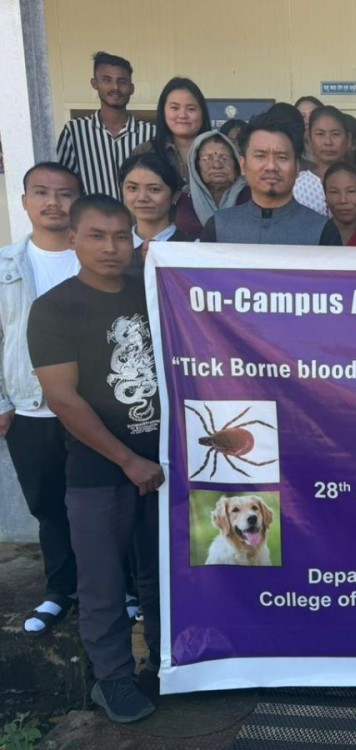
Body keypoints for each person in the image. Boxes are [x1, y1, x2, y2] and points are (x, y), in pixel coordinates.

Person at [27, 194, 163, 723]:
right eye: (98, 236)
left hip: (163, 463)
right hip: (99, 468)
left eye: (121, 236)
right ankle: (112, 679)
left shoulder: (150, 293)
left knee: (159, 576)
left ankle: (162, 663)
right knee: (103, 581)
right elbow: (63, 399)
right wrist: (128, 460)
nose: (111, 247)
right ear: (73, 239)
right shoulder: (55, 307)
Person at [0, 162, 82, 637]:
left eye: (65, 194)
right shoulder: (7, 264)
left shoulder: (93, 256)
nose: (53, 202)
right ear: (25, 201)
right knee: (49, 507)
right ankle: (59, 591)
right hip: (31, 408)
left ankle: (121, 589)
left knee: (104, 504)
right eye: (42, 193)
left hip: (91, 405)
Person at [201, 113, 341, 245]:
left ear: (297, 167)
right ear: (243, 165)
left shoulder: (322, 230)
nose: (271, 166)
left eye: (282, 157)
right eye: (260, 156)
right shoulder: (219, 227)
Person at [56, 52, 154, 200]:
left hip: (140, 221)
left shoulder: (151, 133)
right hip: (92, 221)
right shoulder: (75, 132)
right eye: (107, 80)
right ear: (94, 83)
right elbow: (63, 185)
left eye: (122, 82)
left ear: (132, 88)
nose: (115, 87)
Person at [294, 106, 356, 224]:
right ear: (309, 138)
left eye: (335, 134)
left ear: (347, 138)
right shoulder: (296, 187)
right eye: (320, 134)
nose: (328, 142)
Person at [119, 153, 195, 277]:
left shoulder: (194, 248)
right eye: (132, 188)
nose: (142, 198)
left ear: (175, 195)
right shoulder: (113, 249)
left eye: (154, 189)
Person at [133, 77, 211, 186]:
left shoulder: (222, 152)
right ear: (163, 111)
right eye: (174, 108)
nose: (183, 115)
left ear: (202, 112)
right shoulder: (145, 152)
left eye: (191, 109)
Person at [175, 130, 249, 236]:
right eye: (207, 159)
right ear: (195, 166)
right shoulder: (183, 201)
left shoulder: (251, 196)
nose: (217, 165)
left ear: (237, 165)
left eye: (224, 158)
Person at [323, 163, 356, 246]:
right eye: (334, 192)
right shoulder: (317, 235)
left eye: (351, 191)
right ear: (325, 196)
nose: (343, 200)